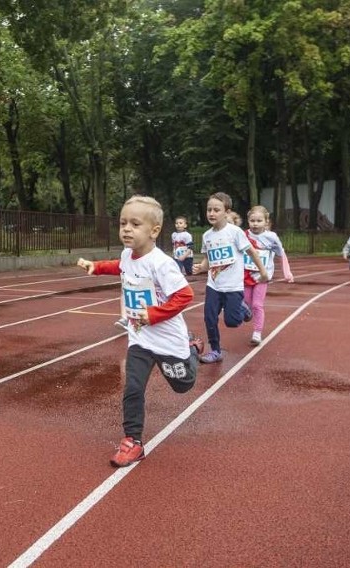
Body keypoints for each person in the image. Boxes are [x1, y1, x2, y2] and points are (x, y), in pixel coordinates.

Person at [76, 195, 203, 467]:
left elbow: (185, 295)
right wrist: (96, 267)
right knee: (132, 388)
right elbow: (120, 266)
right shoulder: (127, 255)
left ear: (154, 231)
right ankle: (132, 440)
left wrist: (153, 314)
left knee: (183, 385)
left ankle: (192, 349)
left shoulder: (162, 263)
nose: (126, 229)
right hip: (140, 339)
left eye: (135, 224)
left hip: (168, 341)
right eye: (123, 223)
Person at [193, 192, 269, 363]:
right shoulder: (207, 236)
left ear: (226, 212)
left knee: (232, 322)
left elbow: (252, 252)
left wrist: (263, 272)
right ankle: (216, 350)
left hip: (233, 286)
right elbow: (208, 260)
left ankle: (243, 309)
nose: (211, 213)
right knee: (209, 318)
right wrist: (201, 267)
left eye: (216, 210)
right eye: (209, 210)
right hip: (213, 285)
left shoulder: (234, 232)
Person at [244, 206, 293, 346]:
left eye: (259, 220)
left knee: (257, 305)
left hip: (262, 277)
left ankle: (257, 333)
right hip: (246, 276)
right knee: (246, 303)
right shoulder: (243, 235)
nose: (255, 223)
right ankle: (247, 315)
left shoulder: (271, 237)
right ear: (248, 221)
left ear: (266, 222)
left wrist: (287, 273)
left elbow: (281, 253)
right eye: (252, 220)